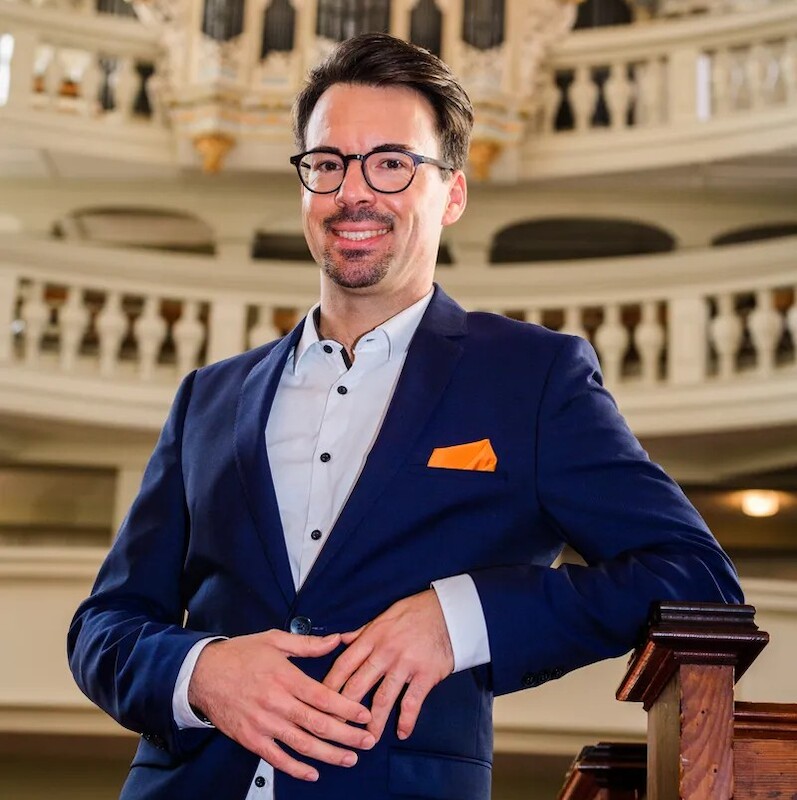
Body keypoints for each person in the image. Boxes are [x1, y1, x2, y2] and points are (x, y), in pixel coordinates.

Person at [68, 32, 743, 800]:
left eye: (390, 163)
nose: (352, 192)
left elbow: (693, 577)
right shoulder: (208, 398)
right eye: (328, 163)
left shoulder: (531, 378)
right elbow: (105, 624)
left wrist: (460, 619)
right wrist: (201, 671)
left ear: (451, 194)